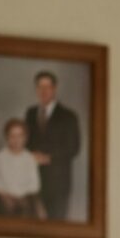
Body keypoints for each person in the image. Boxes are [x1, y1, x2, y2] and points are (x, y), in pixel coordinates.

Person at [24, 69, 81, 223]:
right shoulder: (30, 113)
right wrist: (31, 155)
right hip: (32, 179)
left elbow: (73, 148)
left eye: (47, 87)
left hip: (58, 181)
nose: (43, 91)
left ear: (54, 89)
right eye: (40, 87)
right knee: (32, 225)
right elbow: (25, 142)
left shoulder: (68, 116)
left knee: (56, 226)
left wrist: (48, 158)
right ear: (36, 89)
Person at [0, 117, 44, 218]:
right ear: (7, 137)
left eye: (20, 136)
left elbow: (35, 184)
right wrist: (5, 194)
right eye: (12, 136)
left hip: (25, 200)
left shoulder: (30, 159)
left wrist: (20, 197)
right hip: (3, 199)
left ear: (25, 138)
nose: (16, 140)